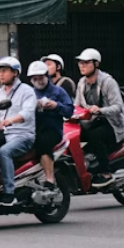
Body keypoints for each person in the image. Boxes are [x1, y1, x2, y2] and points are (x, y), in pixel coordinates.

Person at [0, 57, 36, 207]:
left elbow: (28, 112)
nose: (1, 74)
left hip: (23, 135)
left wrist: (11, 120)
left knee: (4, 152)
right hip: (3, 135)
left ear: (15, 73)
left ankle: (9, 193)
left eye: (5, 71)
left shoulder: (27, 91)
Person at [73, 48, 124, 186]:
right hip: (90, 122)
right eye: (80, 63)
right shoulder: (81, 83)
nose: (82, 66)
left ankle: (106, 173)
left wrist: (101, 110)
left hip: (111, 123)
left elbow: (119, 106)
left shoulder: (108, 82)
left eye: (86, 63)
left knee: (94, 136)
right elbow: (76, 105)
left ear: (96, 64)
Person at [28, 60, 73, 190]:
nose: (39, 81)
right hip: (33, 129)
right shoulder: (29, 93)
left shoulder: (58, 91)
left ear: (47, 75)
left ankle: (49, 178)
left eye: (41, 77)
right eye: (35, 79)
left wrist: (55, 106)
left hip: (52, 130)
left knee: (42, 143)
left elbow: (69, 111)